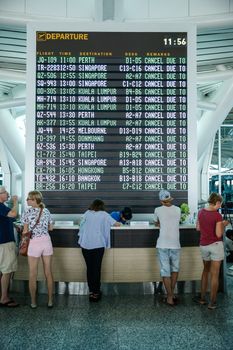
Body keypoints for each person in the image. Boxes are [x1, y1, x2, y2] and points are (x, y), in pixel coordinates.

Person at [78, 199, 121, 301]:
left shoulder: (87, 213)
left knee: (89, 268)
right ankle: (96, 293)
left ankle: (91, 291)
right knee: (96, 269)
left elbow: (80, 223)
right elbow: (116, 224)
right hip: (98, 245)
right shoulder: (104, 214)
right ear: (102, 206)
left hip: (85, 245)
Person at [195, 193, 229, 310]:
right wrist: (224, 224)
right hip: (215, 246)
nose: (220, 206)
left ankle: (202, 298)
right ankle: (212, 302)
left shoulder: (200, 212)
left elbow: (198, 228)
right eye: (220, 204)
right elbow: (218, 234)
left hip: (203, 245)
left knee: (205, 271)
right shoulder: (217, 215)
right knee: (214, 275)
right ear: (217, 202)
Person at [21, 191, 53, 309]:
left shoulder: (27, 212)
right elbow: (51, 228)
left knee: (33, 273)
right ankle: (50, 301)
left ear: (35, 200)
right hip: (46, 242)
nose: (27, 201)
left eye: (29, 199)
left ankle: (33, 302)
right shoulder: (46, 211)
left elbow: (25, 231)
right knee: (48, 272)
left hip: (34, 243)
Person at [154, 190, 181, 306]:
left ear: (161, 201)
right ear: (170, 198)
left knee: (166, 271)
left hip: (163, 244)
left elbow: (157, 223)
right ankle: (171, 293)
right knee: (175, 269)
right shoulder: (178, 210)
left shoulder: (157, 210)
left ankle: (169, 296)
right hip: (175, 243)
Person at [0, 186, 19, 307]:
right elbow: (13, 214)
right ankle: (4, 298)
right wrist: (15, 202)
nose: (7, 194)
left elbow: (6, 219)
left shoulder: (3, 207)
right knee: (6, 271)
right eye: (4, 192)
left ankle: (2, 295)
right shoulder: (1, 206)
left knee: (2, 271)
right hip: (5, 243)